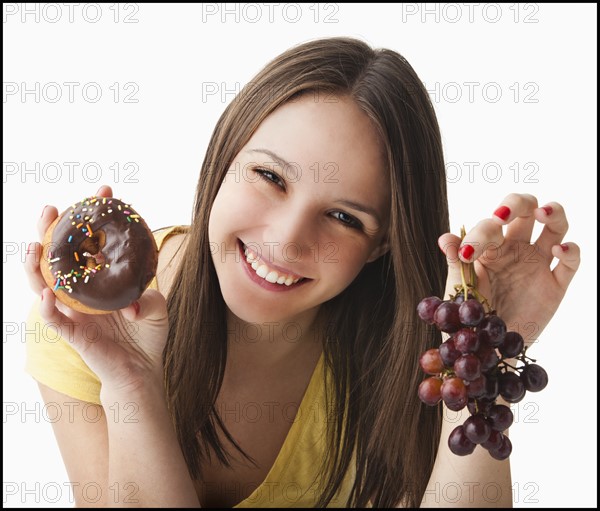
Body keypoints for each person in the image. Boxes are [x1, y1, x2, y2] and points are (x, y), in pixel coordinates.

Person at [24, 37, 580, 508]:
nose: (286, 240)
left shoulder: (411, 349)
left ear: (382, 244)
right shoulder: (86, 321)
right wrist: (131, 382)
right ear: (224, 154)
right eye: (270, 176)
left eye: (343, 216)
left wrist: (479, 360)